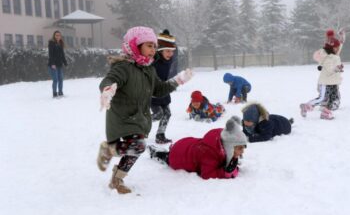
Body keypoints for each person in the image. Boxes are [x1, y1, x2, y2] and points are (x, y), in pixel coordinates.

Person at [96, 26, 193, 194]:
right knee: (138, 146)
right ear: (135, 45)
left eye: (155, 46)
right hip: (122, 118)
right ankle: (111, 157)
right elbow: (109, 80)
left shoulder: (149, 69)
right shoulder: (123, 67)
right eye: (149, 45)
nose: (153, 50)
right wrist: (107, 90)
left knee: (137, 148)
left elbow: (159, 89)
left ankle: (116, 178)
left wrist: (177, 81)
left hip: (139, 118)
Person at [148, 116, 247, 179]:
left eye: (243, 147)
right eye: (240, 148)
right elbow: (207, 174)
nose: (242, 151)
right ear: (229, 147)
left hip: (187, 144)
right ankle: (156, 153)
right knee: (167, 157)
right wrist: (223, 173)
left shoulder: (224, 138)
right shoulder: (210, 154)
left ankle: (166, 151)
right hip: (179, 156)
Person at [300, 38, 343, 120]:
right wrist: (337, 68)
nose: (337, 49)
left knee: (331, 99)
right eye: (335, 47)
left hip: (332, 82)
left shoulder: (334, 55)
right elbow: (330, 70)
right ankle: (305, 106)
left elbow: (338, 49)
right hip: (325, 83)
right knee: (322, 98)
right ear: (331, 48)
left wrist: (341, 41)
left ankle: (325, 113)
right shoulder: (328, 58)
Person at [151, 29, 177, 144]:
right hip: (152, 92)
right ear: (160, 51)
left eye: (172, 51)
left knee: (167, 113)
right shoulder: (153, 60)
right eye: (167, 51)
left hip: (164, 90)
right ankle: (138, 125)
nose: (170, 54)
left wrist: (166, 36)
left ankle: (160, 135)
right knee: (158, 114)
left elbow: (173, 51)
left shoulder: (169, 60)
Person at [48, 30, 67, 98]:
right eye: (56, 35)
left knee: (61, 79)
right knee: (55, 79)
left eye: (59, 35)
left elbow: (62, 54)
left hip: (59, 64)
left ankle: (60, 91)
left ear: (60, 36)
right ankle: (54, 92)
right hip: (53, 65)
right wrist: (52, 64)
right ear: (54, 36)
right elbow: (51, 54)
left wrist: (65, 62)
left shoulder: (61, 43)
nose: (58, 36)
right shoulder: (51, 43)